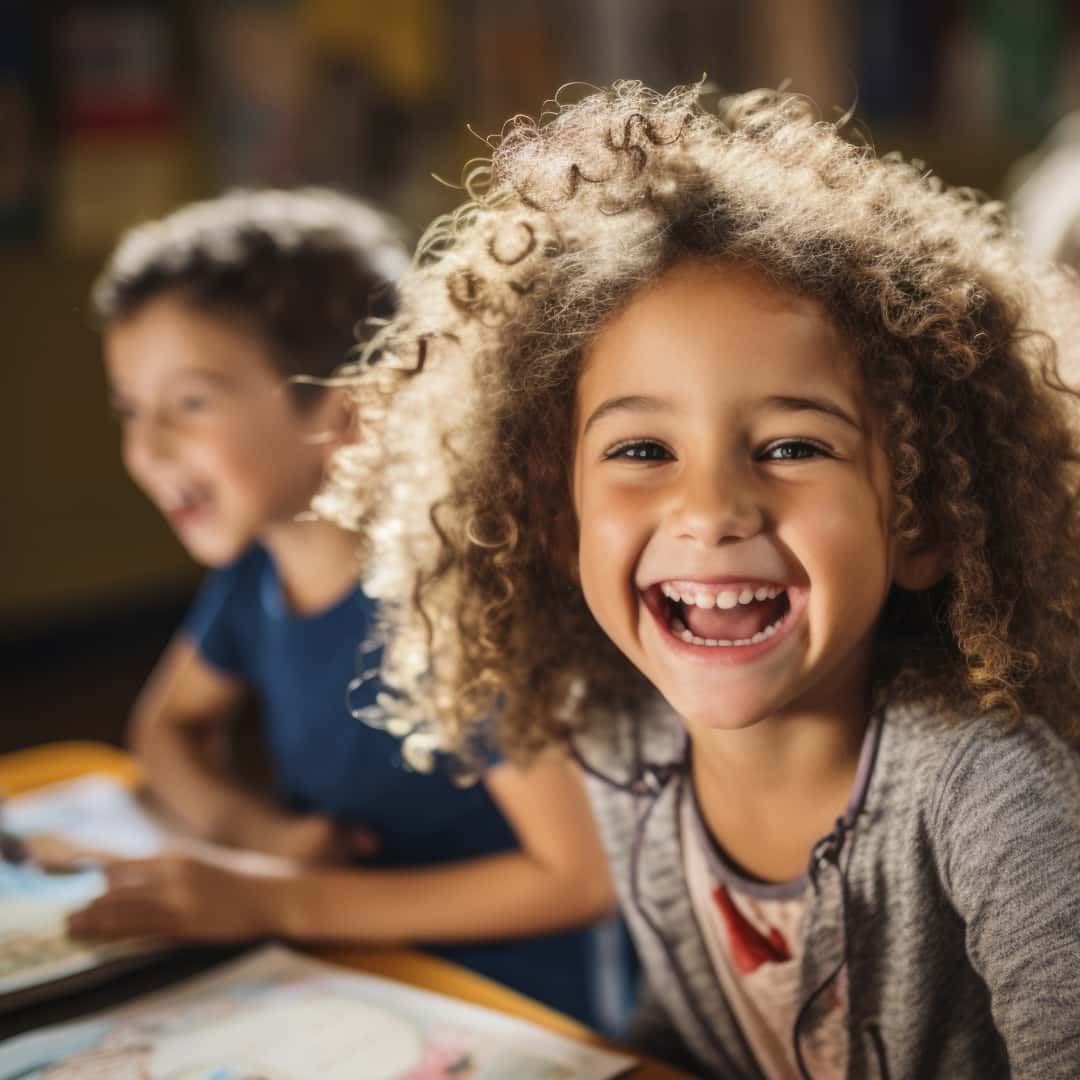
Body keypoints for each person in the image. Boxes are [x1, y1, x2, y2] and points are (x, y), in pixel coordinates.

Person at [318, 83, 1080, 1078]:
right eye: (642, 448)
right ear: (559, 518)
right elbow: (704, 1036)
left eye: (795, 444)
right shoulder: (623, 739)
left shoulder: (984, 785)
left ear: (925, 524)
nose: (713, 509)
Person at [72, 188, 621, 1029]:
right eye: (131, 410)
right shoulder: (256, 576)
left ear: (347, 414)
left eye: (189, 403)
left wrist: (281, 898)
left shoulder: (453, 600)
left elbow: (579, 878)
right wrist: (261, 836)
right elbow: (165, 729)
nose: (144, 450)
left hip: (510, 1009)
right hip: (345, 976)